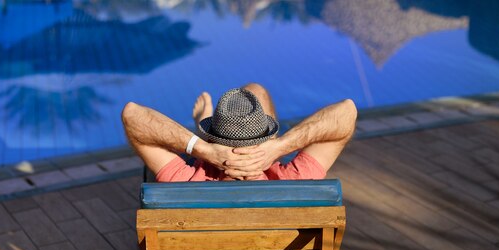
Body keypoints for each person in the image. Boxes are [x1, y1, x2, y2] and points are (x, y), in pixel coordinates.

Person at [121, 83, 357, 181]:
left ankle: (203, 125)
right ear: (264, 142)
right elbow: (347, 112)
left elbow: (132, 115)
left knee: (253, 91)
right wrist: (280, 146)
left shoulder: (186, 182)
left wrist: (204, 150)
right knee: (255, 90)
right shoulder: (291, 181)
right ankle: (212, 126)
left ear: (216, 141)